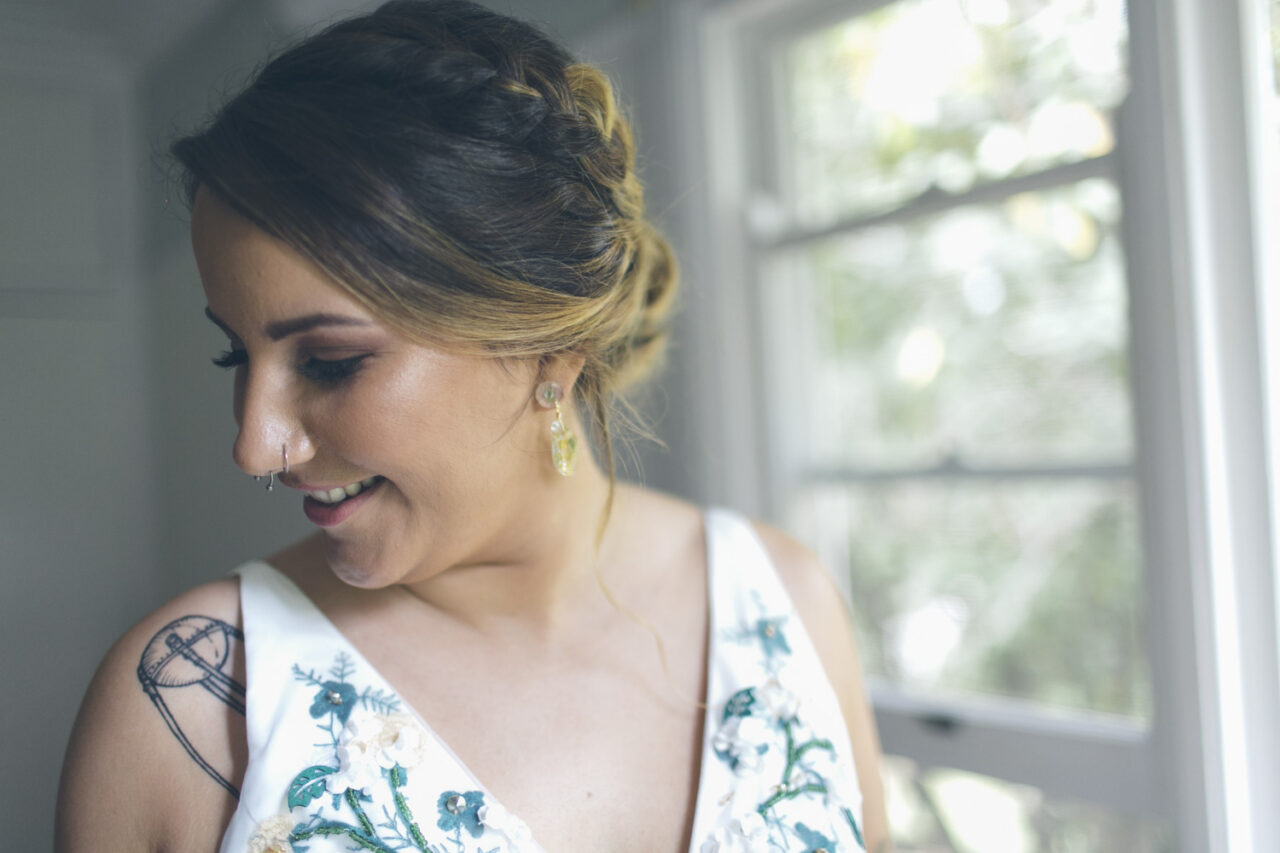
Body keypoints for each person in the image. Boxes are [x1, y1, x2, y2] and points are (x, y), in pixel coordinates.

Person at [54, 2, 889, 851]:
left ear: (550, 350)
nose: (253, 446)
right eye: (235, 354)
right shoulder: (188, 701)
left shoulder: (789, 604)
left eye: (331, 361)